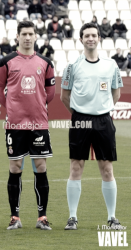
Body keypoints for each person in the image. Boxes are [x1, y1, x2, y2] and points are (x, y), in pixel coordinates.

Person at [60, 23, 123, 230]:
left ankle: (112, 217)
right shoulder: (72, 66)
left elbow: (116, 93)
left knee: (107, 168)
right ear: (80, 39)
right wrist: (80, 116)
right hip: (80, 120)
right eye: (86, 35)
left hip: (104, 120)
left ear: (99, 38)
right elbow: (64, 96)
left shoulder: (111, 65)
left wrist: (102, 110)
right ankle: (72, 217)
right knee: (76, 167)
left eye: (94, 35)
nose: (90, 38)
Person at [0, 20, 55, 230]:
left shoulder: (46, 63)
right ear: (17, 37)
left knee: (41, 167)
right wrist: (11, 109)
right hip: (15, 126)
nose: (27, 37)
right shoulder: (6, 62)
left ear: (36, 36)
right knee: (15, 167)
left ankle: (42, 217)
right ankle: (15, 217)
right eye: (24, 34)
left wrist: (37, 107)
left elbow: (51, 94)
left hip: (39, 124)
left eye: (31, 34)